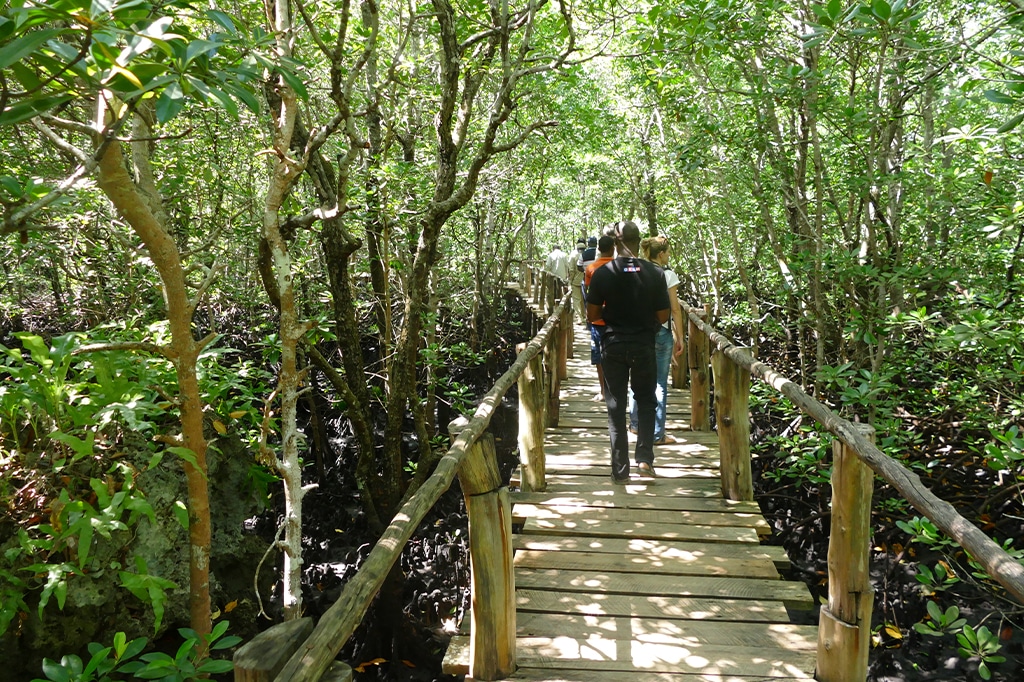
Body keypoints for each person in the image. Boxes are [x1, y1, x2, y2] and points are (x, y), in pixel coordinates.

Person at [586, 221, 670, 483]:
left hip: (613, 345)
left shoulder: (603, 272)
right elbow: (664, 315)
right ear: (638, 240)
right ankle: (644, 460)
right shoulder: (655, 273)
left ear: (616, 241)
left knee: (616, 405)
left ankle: (620, 470)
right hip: (644, 345)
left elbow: (592, 314)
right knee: (646, 401)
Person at [628, 236, 685, 444]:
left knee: (636, 378)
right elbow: (675, 308)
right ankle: (657, 433)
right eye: (668, 252)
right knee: (659, 383)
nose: (669, 256)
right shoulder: (667, 274)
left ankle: (635, 425)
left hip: (639, 331)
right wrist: (680, 336)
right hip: (661, 331)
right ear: (661, 254)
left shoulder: (636, 270)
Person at [583, 235, 615, 400]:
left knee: (599, 357)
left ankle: (603, 391)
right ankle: (615, 390)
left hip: (597, 320)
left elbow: (589, 292)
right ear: (613, 249)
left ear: (598, 249)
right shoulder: (618, 267)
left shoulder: (591, 268)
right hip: (617, 321)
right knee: (616, 355)